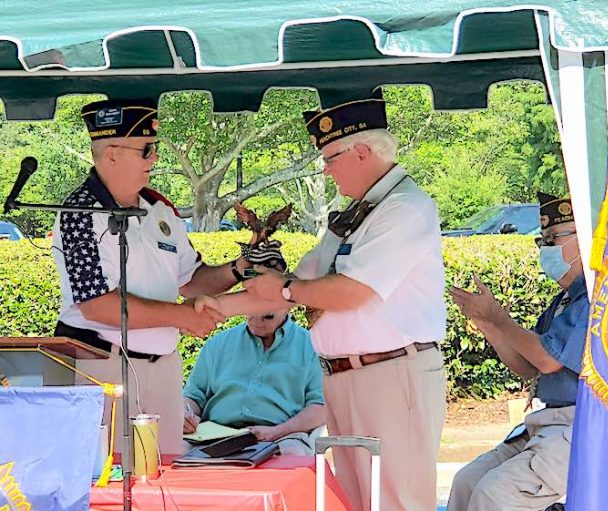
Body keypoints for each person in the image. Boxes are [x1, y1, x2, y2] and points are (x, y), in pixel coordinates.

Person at [196, 92, 447, 511]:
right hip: (349, 376)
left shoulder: (404, 209)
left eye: (330, 158)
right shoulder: (359, 212)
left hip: (390, 373)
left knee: (396, 501)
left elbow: (349, 291)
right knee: (354, 500)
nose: (326, 170)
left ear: (362, 151)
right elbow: (302, 280)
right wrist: (220, 308)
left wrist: (286, 290)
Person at [51, 99, 256, 455]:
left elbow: (190, 279)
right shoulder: (78, 212)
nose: (155, 159)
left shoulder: (160, 209)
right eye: (146, 150)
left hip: (163, 368)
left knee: (166, 480)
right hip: (103, 367)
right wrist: (183, 317)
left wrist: (242, 267)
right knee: (109, 483)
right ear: (112, 154)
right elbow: (96, 306)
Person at [446, 192, 590, 511]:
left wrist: (499, 318)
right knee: (467, 482)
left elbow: (548, 360)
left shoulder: (594, 298)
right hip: (548, 423)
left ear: (585, 239)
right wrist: (489, 325)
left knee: (495, 496)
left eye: (554, 238)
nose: (546, 248)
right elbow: (528, 367)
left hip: (581, 428)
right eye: (543, 240)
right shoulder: (563, 302)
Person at [182, 307, 325, 455]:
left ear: (287, 307)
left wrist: (277, 432)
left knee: (292, 457)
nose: (256, 321)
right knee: (173, 451)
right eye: (250, 313)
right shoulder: (218, 344)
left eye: (267, 316)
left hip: (282, 437)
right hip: (215, 436)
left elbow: (320, 407)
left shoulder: (311, 346)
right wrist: (185, 414)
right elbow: (193, 396)